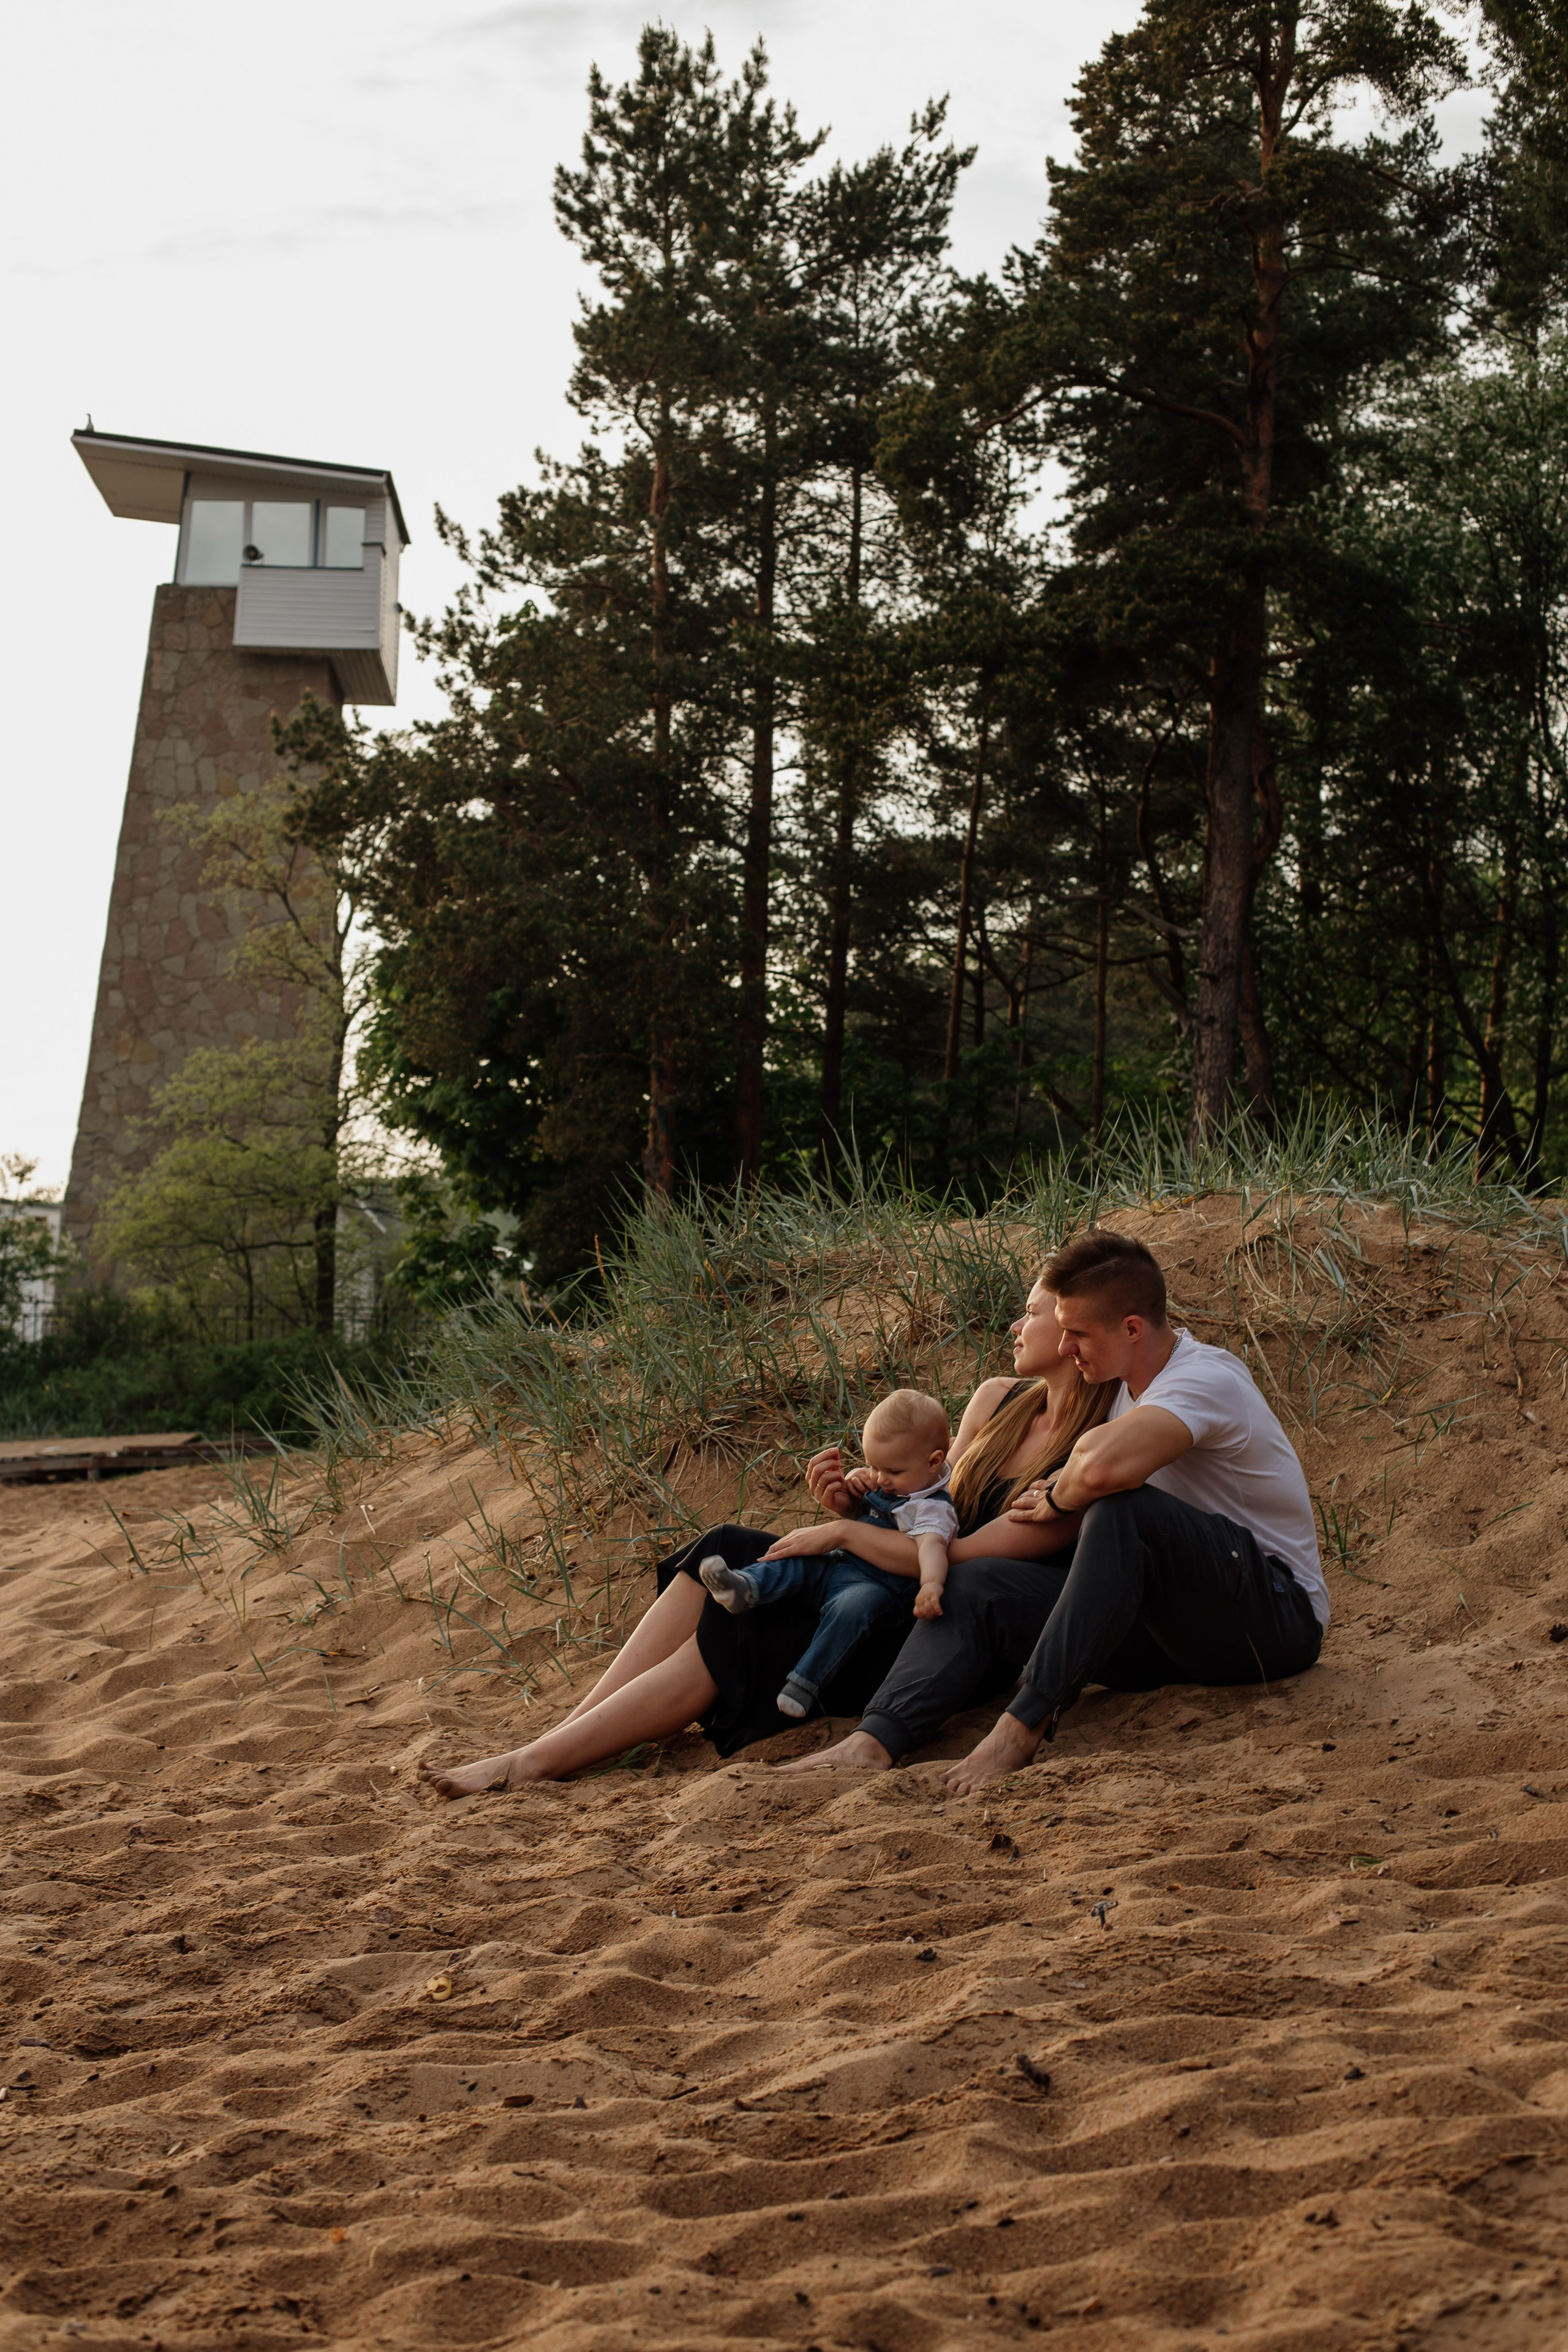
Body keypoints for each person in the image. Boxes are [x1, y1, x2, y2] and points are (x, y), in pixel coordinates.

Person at [418, 1276, 1115, 1795]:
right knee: (726, 1545)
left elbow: (958, 1558)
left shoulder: (1087, 1453)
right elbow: (929, 1501)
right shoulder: (996, 1399)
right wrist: (856, 1502)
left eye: (1031, 1314)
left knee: (747, 1624)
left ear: (1071, 1331)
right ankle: (569, 1732)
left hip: (930, 1625)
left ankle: (535, 1763)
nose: (1015, 1325)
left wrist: (839, 1535)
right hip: (884, 1572)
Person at [778, 1228, 1327, 1792]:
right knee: (979, 1582)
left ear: (1131, 1329)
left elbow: (1100, 1466)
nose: (1065, 1348)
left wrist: (1061, 1494)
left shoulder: (1204, 1378)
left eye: (1078, 1334)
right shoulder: (1119, 1391)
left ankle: (1019, 1730)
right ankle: (875, 1740)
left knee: (1124, 1512)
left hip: (1272, 1620)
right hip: (1170, 1634)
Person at [700, 1387, 958, 1721]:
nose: (881, 1479)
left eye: (892, 1472)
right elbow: (871, 1502)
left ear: (934, 1461)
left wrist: (932, 1584)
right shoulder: (905, 1476)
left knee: (853, 1609)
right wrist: (854, 1486)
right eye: (873, 1466)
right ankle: (745, 1587)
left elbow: (933, 1547)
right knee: (796, 1561)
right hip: (840, 1563)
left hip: (879, 1587)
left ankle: (804, 1683)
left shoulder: (932, 1509)